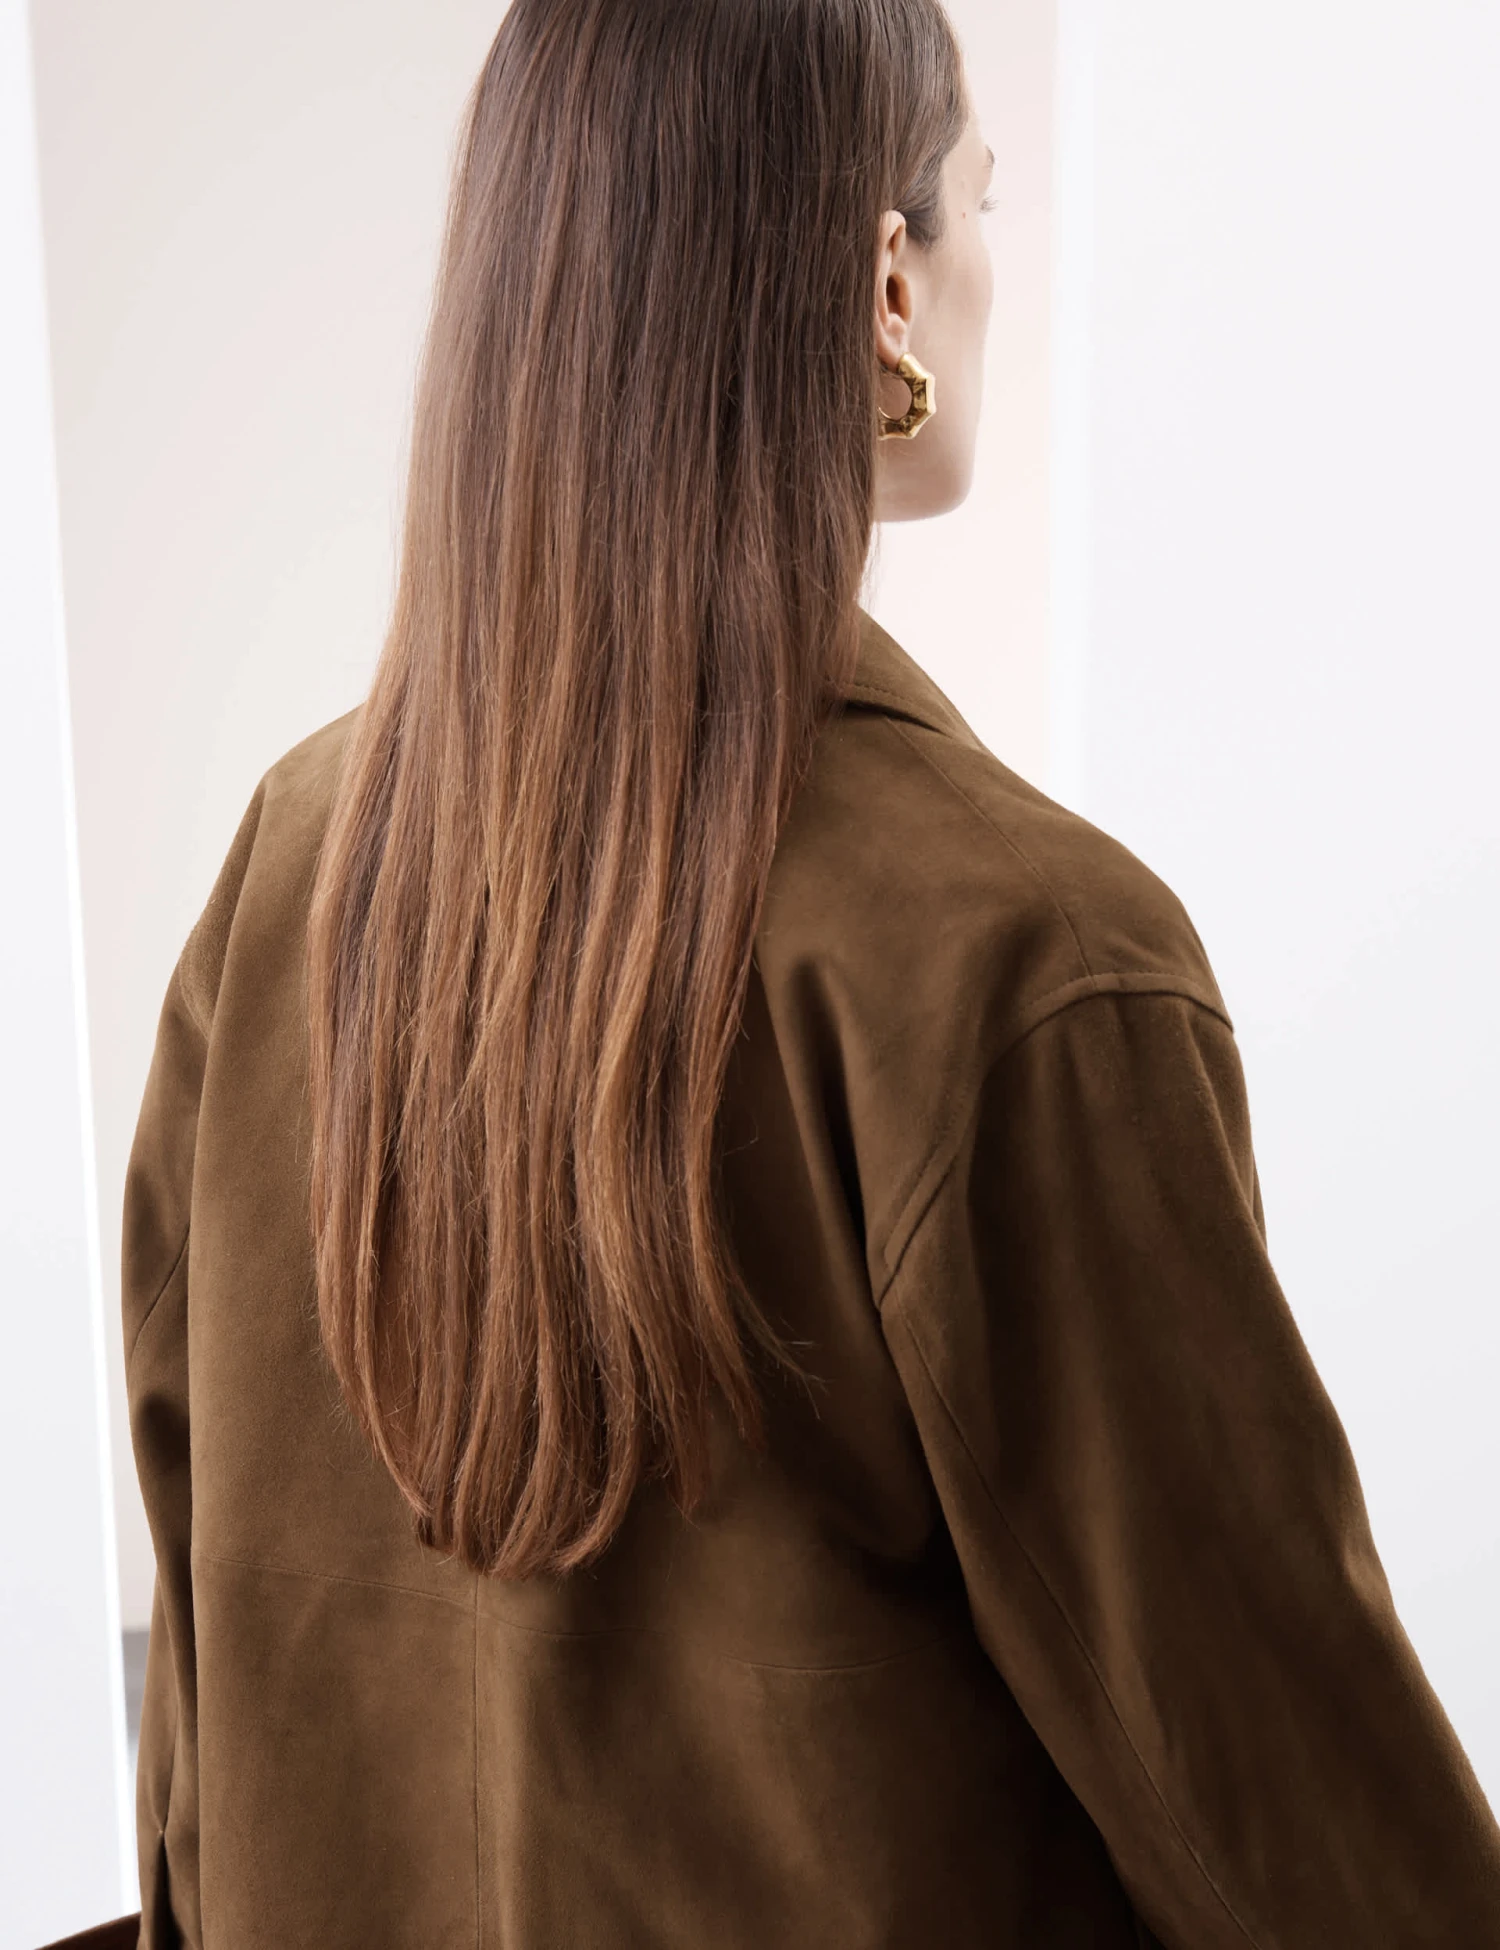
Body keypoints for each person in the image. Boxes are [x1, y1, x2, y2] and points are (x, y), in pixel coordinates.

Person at [122, 0, 1500, 1943]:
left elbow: (195, 1758)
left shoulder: (292, 866)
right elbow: (1306, 1840)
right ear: (886, 283)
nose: (993, 264)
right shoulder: (1028, 956)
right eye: (983, 204)